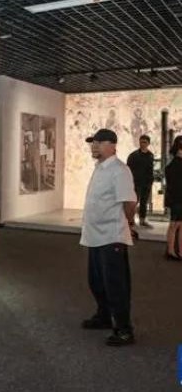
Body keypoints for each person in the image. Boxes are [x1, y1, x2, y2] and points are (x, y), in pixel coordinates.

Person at [80, 128, 138, 346]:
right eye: (92, 142)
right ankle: (104, 316)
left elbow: (129, 202)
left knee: (116, 285)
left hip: (112, 236)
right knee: (96, 281)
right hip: (95, 236)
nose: (94, 146)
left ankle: (124, 329)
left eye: (99, 142)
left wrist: (129, 224)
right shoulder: (100, 168)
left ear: (112, 145)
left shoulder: (119, 170)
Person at [126, 134, 154, 228]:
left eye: (145, 142)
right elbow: (128, 169)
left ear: (148, 143)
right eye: (141, 142)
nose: (142, 144)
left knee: (144, 202)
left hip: (146, 183)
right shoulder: (134, 155)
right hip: (136, 182)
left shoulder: (150, 155)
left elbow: (150, 169)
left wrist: (150, 181)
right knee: (134, 202)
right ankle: (131, 220)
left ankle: (142, 220)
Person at [164, 135, 182, 260]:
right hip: (177, 198)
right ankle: (172, 251)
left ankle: (175, 251)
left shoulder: (172, 164)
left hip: (176, 198)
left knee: (177, 224)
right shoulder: (174, 164)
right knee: (175, 224)